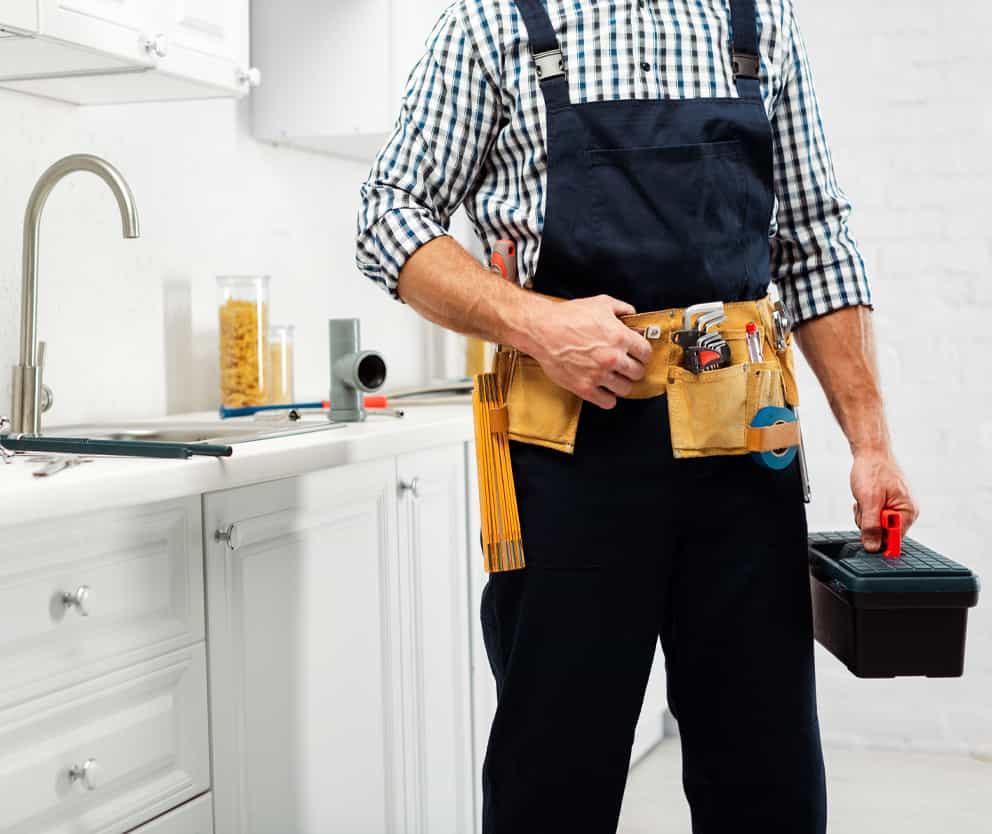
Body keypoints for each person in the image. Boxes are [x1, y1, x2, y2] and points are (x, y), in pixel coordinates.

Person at [355, 1, 918, 832]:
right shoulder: (492, 20)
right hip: (566, 464)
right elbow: (387, 216)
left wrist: (872, 445)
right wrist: (536, 323)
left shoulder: (757, 21)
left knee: (768, 784)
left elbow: (814, 241)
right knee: (552, 782)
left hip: (745, 460)